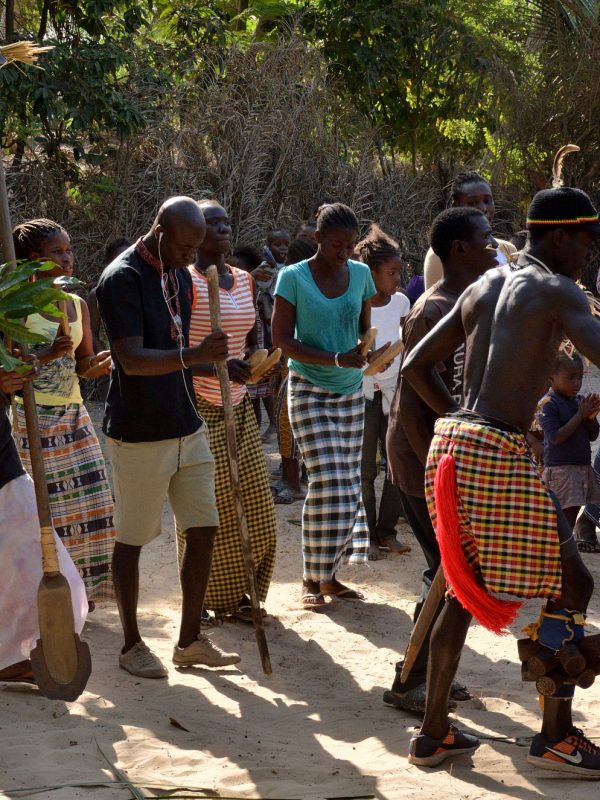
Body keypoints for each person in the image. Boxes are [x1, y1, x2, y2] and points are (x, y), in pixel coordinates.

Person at [402, 187, 600, 775]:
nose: (590, 256)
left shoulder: (483, 285)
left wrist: (462, 424)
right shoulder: (557, 290)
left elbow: (414, 366)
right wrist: (492, 432)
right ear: (559, 236)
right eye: (588, 242)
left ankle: (433, 733)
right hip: (494, 449)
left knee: (463, 591)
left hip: (454, 444)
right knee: (574, 586)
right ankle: (558, 738)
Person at [96, 196, 240, 678]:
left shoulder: (181, 274)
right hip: (139, 432)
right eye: (184, 246)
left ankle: (190, 640)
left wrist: (214, 360)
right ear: (160, 233)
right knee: (133, 540)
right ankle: (132, 644)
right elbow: (133, 360)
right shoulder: (122, 279)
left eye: (196, 247)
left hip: (187, 424)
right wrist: (193, 354)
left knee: (204, 528)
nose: (191, 256)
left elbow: (180, 348)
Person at [383, 207, 496, 713]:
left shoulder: (467, 303)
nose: (494, 248)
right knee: (446, 573)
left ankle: (426, 675)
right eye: (485, 240)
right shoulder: (433, 310)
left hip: (443, 461)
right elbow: (410, 398)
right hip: (423, 463)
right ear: (459, 250)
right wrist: (439, 470)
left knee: (449, 573)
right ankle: (411, 680)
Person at [272, 202, 385, 609]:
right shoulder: (293, 278)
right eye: (336, 244)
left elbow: (361, 330)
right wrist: (334, 358)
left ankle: (328, 577)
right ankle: (309, 577)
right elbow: (283, 339)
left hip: (350, 390)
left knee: (347, 487)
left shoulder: (360, 275)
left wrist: (368, 353)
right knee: (329, 481)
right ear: (316, 239)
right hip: (308, 387)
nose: (344, 252)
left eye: (350, 245)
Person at [177, 199, 276, 623]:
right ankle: (203, 601)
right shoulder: (182, 282)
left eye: (225, 222)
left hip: (238, 404)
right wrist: (212, 365)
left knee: (256, 510)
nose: (221, 228)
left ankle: (242, 595)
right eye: (210, 223)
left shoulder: (241, 280)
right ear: (195, 232)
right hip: (196, 404)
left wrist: (252, 364)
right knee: (205, 514)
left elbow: (250, 335)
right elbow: (172, 351)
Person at [12, 218, 115, 604]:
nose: (68, 258)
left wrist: (99, 364)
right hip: (30, 419)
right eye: (57, 252)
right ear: (34, 260)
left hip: (74, 415)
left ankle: (81, 597)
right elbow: (10, 369)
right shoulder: (15, 308)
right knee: (43, 512)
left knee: (94, 507)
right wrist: (43, 355)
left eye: (69, 249)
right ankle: (40, 598)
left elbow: (82, 363)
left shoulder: (75, 304)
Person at [0, 363, 87, 686]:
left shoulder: (7, 317)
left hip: (4, 467)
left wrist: (23, 370)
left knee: (37, 571)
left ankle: (13, 657)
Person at [354, 224, 411, 559]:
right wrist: (370, 361)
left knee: (395, 464)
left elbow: (407, 343)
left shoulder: (402, 302)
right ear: (370, 274)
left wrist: (393, 364)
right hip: (362, 392)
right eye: (390, 273)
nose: (397, 280)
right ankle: (367, 535)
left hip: (394, 392)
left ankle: (387, 531)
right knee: (365, 469)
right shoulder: (358, 303)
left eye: (399, 272)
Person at [271, 235, 318, 504]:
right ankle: (296, 479)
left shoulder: (297, 283)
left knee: (287, 423)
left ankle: (292, 482)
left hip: (301, 367)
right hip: (303, 365)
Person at [538, 351, 600, 530]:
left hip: (580, 468)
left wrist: (589, 418)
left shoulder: (579, 401)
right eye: (571, 378)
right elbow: (556, 438)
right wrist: (580, 415)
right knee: (562, 518)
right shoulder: (549, 403)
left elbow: (594, 435)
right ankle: (560, 553)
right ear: (551, 377)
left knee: (571, 515)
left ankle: (564, 552)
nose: (577, 383)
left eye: (580, 378)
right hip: (561, 471)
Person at [423, 171, 517, 289]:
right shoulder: (442, 254)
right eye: (472, 203)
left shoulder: (506, 249)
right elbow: (439, 301)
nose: (483, 208)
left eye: (487, 201)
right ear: (456, 207)